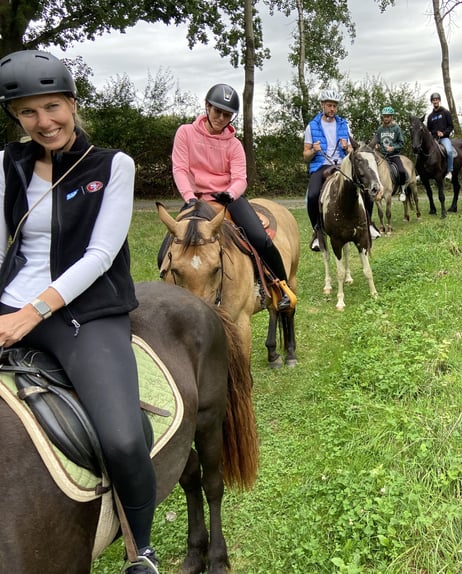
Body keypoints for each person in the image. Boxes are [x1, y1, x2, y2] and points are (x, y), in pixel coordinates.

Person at [0, 50, 158, 573]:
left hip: (84, 312)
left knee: (120, 433)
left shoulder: (112, 166)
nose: (43, 122)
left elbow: (101, 254)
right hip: (10, 300)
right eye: (28, 112)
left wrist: (32, 313)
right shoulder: (7, 165)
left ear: (71, 102)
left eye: (52, 107)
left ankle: (143, 547)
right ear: (16, 118)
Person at [172, 83, 295, 311]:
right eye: (217, 111)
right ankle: (170, 285)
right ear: (207, 107)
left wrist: (230, 194)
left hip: (228, 198)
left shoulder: (234, 145)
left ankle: (281, 287)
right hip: (196, 200)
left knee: (260, 238)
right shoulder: (185, 133)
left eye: (227, 114)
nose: (220, 117)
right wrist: (189, 197)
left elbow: (240, 178)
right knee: (171, 243)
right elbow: (180, 168)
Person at [303, 89, 380, 252]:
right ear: (322, 105)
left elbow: (352, 150)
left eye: (334, 106)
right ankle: (317, 231)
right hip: (321, 165)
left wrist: (347, 148)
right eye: (329, 105)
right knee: (312, 195)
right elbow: (305, 155)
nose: (332, 109)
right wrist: (314, 151)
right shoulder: (312, 126)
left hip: (342, 165)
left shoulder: (344, 124)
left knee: (365, 187)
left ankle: (368, 223)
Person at [372, 106, 409, 202]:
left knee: (401, 171)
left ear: (391, 117)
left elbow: (401, 143)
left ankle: (402, 190)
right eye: (384, 116)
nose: (386, 118)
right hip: (382, 156)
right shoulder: (380, 129)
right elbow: (377, 141)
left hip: (394, 155)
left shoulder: (396, 128)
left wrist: (393, 148)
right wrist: (377, 145)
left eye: (388, 116)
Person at [425, 92, 454, 181]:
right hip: (434, 140)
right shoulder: (430, 117)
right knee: (423, 151)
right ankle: (423, 172)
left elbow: (451, 126)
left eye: (437, 99)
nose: (435, 101)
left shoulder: (446, 113)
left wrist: (444, 133)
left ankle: (450, 171)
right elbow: (428, 129)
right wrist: (429, 133)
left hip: (444, 138)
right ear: (432, 102)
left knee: (449, 151)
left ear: (439, 100)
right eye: (433, 100)